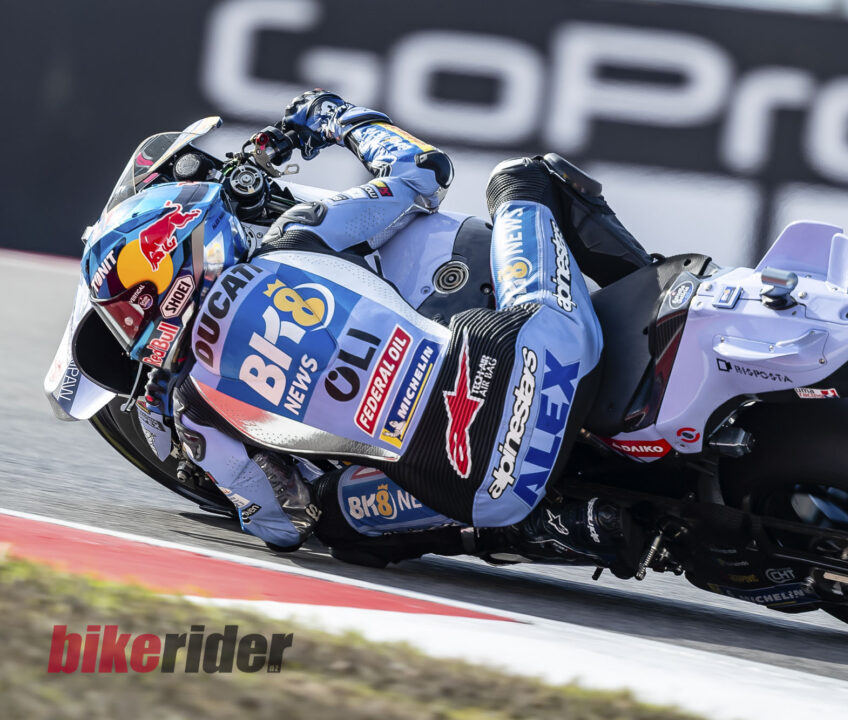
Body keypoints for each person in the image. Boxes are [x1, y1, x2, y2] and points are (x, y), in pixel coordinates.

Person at [78, 90, 653, 571]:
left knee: (336, 520)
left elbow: (283, 524)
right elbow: (422, 171)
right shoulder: (293, 237)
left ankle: (561, 523)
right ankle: (655, 302)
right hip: (544, 360)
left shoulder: (192, 411)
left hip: (489, 493)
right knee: (523, 178)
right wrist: (333, 117)